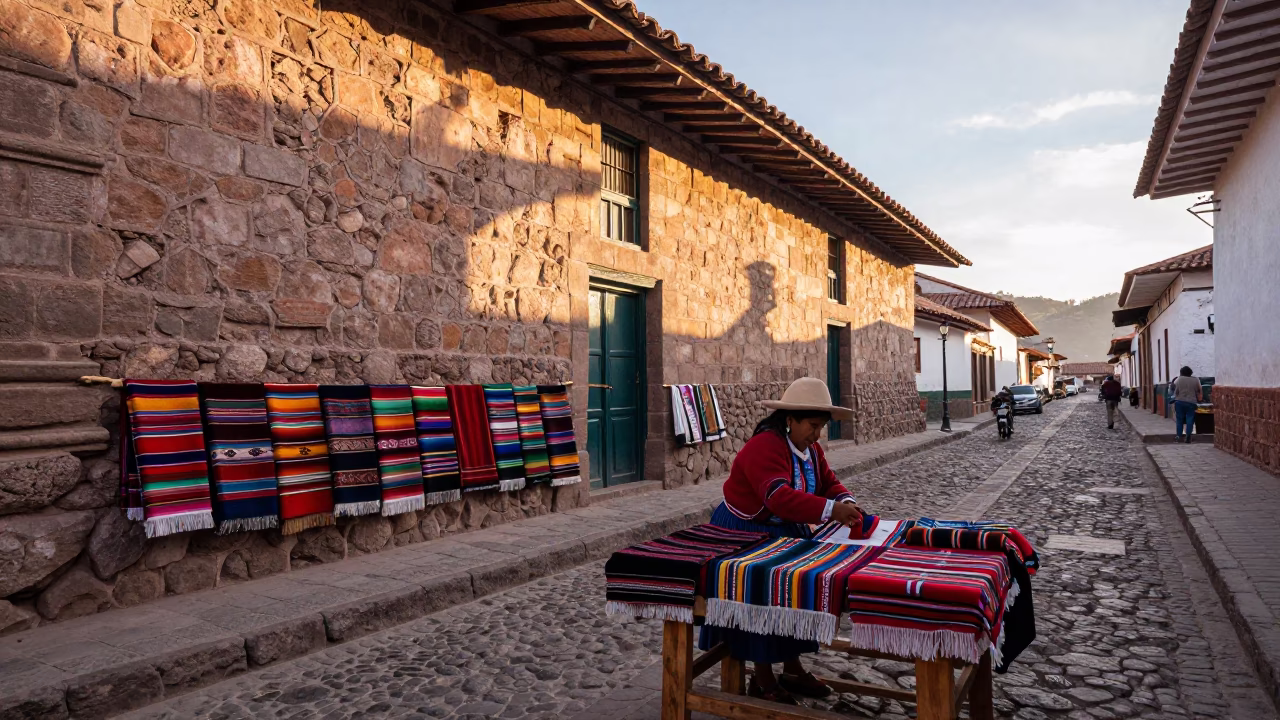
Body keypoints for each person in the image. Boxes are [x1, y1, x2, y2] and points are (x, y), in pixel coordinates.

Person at [698, 377, 864, 704]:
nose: (817, 435)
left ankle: (791, 666)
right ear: (790, 420)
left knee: (796, 597)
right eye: (813, 426)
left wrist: (848, 502)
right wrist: (832, 511)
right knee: (760, 599)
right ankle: (762, 678)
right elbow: (777, 496)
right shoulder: (765, 446)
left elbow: (828, 483)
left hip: (784, 531)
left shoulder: (810, 450)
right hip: (748, 531)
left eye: (821, 427)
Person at [1172, 366, 1203, 443]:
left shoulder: (1178, 379)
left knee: (1179, 420)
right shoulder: (1196, 380)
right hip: (1191, 402)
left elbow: (1175, 391)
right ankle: (1188, 436)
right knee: (1190, 419)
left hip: (1179, 402)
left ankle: (1178, 437)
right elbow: (1199, 390)